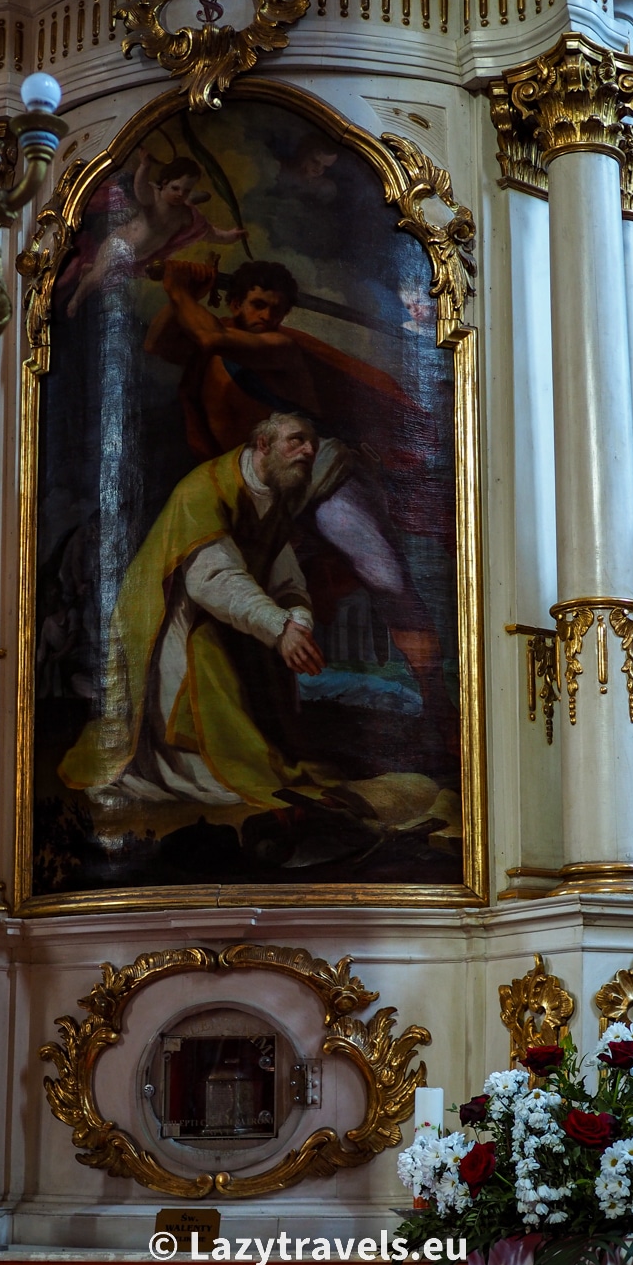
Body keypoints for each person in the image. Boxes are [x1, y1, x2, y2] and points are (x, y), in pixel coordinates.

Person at [144, 258, 456, 739]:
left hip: (319, 475)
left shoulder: (277, 346)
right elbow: (158, 344)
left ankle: (437, 705)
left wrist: (180, 289)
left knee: (385, 577)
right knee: (249, 592)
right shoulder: (211, 338)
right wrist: (181, 293)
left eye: (276, 309)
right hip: (260, 488)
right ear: (234, 302)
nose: (267, 316)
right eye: (257, 305)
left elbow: (209, 337)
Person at [59, 413, 332, 807]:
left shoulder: (275, 500)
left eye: (312, 444)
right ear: (264, 445)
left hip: (234, 618)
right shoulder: (204, 489)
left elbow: (287, 582)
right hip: (171, 618)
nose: (308, 450)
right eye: (297, 440)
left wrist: (298, 624)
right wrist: (279, 626)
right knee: (209, 666)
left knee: (268, 697)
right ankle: (192, 765)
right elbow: (212, 580)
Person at [65, 155, 247, 317]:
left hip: (139, 257)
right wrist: (145, 167)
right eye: (175, 188)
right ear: (164, 182)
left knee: (106, 276)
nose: (179, 194)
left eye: (185, 191)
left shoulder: (186, 215)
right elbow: (140, 189)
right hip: (120, 244)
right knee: (99, 276)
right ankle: (76, 300)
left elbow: (209, 233)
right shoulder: (154, 197)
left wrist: (231, 235)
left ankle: (89, 269)